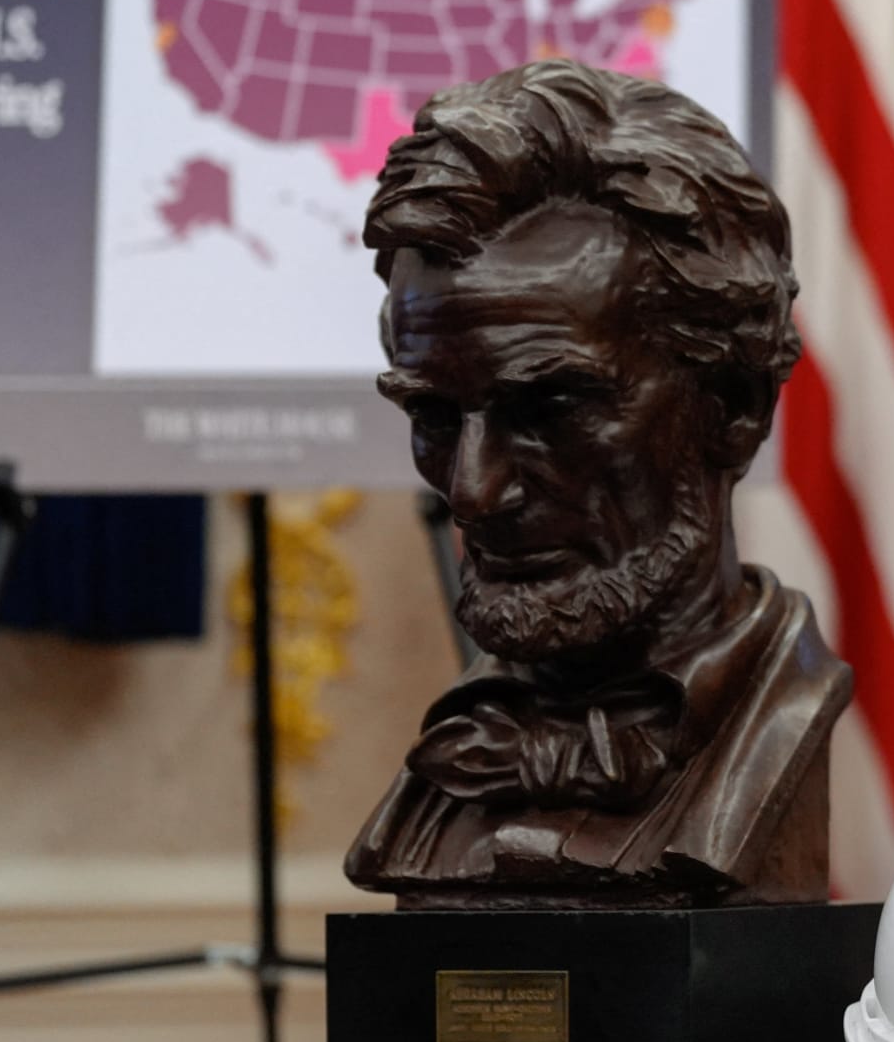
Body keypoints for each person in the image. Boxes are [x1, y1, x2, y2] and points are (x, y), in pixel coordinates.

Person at [344, 60, 848, 907]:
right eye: (434, 416)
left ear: (734, 404)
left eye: (550, 409)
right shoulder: (448, 762)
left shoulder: (779, 730)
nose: (472, 492)